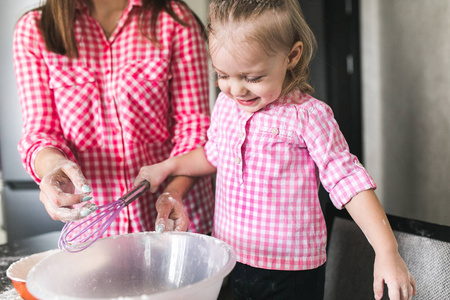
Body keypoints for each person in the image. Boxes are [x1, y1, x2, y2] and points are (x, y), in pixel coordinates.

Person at [134, 0, 417, 299]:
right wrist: (168, 166)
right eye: (223, 75)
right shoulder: (226, 106)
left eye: (252, 78)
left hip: (290, 272)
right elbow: (213, 155)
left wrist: (387, 251)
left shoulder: (308, 117)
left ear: (291, 56)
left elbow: (349, 181)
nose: (236, 89)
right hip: (232, 258)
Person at [13, 0, 214, 238]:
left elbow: (193, 127)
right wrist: (53, 167)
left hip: (176, 223)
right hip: (97, 231)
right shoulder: (36, 29)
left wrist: (173, 192)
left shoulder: (173, 20)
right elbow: (41, 133)